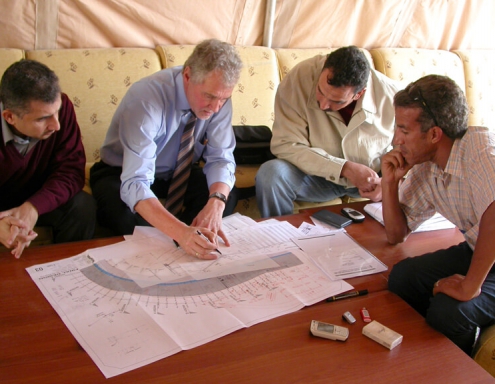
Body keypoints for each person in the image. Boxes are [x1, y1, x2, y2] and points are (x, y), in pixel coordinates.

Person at [90, 39, 243, 260]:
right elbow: (135, 182)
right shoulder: (146, 100)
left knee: (226, 195)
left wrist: (216, 204)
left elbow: (221, 159)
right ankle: (179, 247)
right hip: (121, 172)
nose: (216, 107)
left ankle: (192, 247)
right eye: (209, 96)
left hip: (179, 174)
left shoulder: (219, 97)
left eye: (224, 99)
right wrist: (181, 233)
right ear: (187, 76)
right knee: (125, 218)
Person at [380, 74, 495, 355]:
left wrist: (470, 286)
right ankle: (425, 354)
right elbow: (396, 234)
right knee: (402, 277)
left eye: (404, 131)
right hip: (479, 248)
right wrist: (389, 183)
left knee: (449, 312)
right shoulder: (426, 165)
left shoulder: (480, 150)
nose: (396, 140)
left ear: (434, 134)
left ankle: (460, 377)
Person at [255, 46, 400, 217]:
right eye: (320, 91)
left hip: (372, 182)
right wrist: (344, 168)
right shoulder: (297, 80)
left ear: (359, 94)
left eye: (337, 101)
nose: (323, 105)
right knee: (271, 175)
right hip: (315, 178)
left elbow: (410, 152)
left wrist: (388, 185)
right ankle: (281, 239)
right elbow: (286, 144)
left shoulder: (393, 96)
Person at [0, 59, 96, 258]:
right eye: (42, 119)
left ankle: (68, 275)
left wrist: (34, 207)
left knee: (82, 206)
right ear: (9, 117)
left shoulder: (62, 108)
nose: (56, 125)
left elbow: (71, 171)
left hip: (40, 196)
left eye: (57, 112)